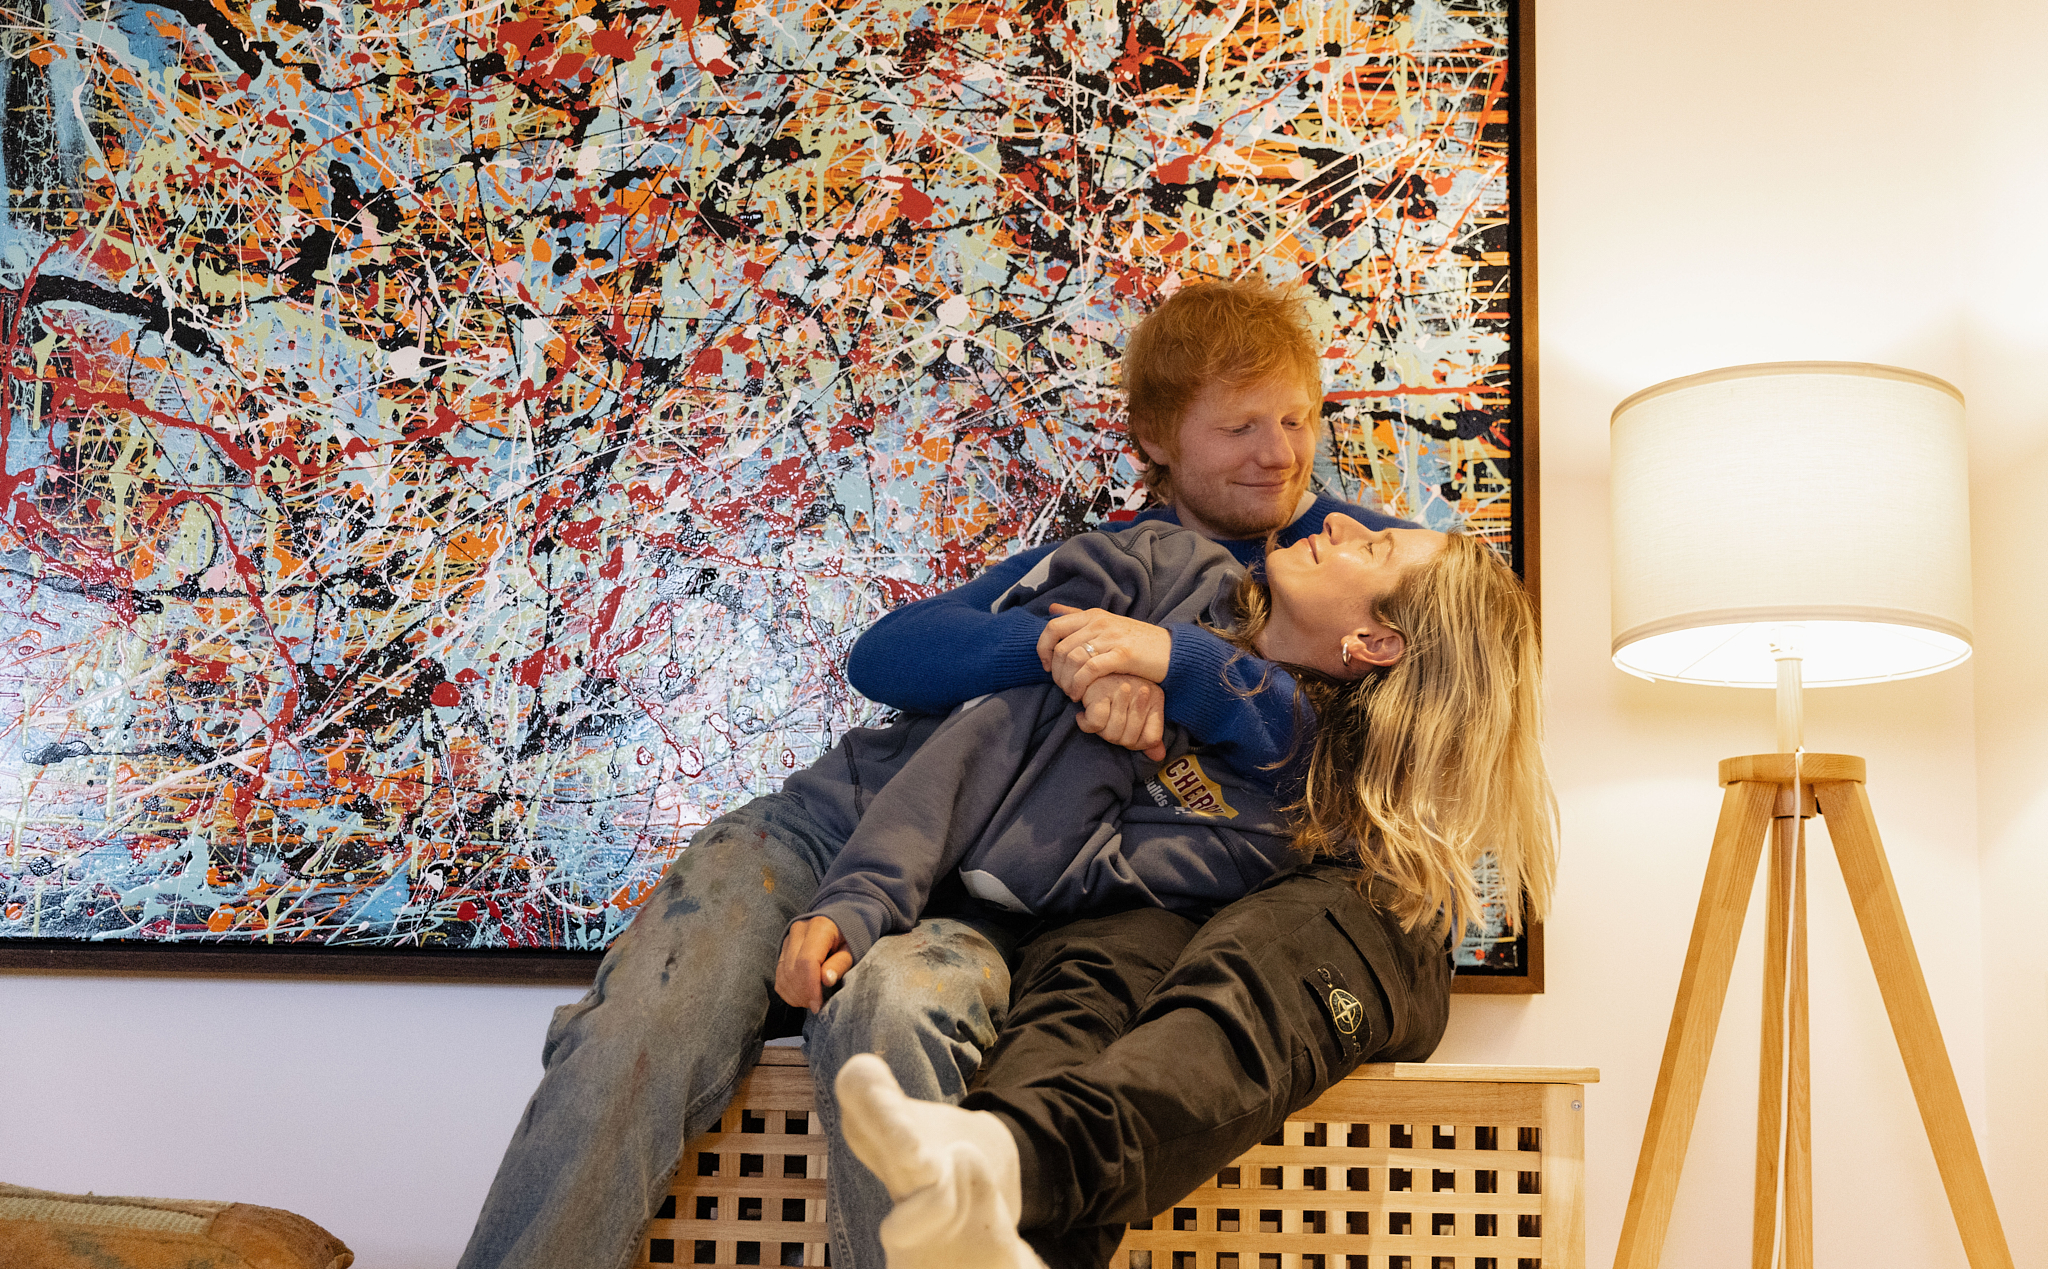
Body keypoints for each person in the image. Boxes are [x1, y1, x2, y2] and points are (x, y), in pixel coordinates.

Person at [454, 278, 1453, 1269]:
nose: (1276, 455)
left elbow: (1378, 767)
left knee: (890, 1010)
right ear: (1153, 438)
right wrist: (1082, 647)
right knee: (650, 1015)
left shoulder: (1364, 574)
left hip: (977, 893)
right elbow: (887, 656)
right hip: (831, 826)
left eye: (1295, 419)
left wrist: (1168, 666)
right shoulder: (1112, 558)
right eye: (1238, 427)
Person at [832, 520, 1553, 1269]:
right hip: (1150, 931)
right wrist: (1115, 675)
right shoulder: (1207, 615)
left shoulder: (1343, 809)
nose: (1342, 522)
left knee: (1241, 974)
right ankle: (995, 1169)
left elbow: (1292, 735)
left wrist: (1169, 657)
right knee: (1082, 994)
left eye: (1372, 548)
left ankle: (1004, 1153)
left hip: (1308, 937)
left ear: (1376, 643)